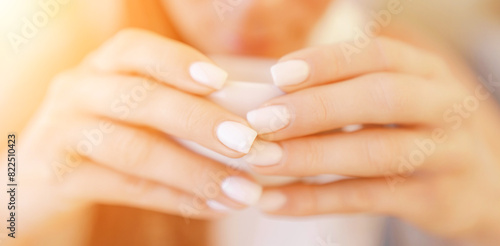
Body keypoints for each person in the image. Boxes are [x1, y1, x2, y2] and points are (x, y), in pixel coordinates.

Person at [1, 0, 499, 245]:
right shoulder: (59, 63)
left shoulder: (424, 76)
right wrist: (18, 196)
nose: (243, 14)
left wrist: (488, 215)